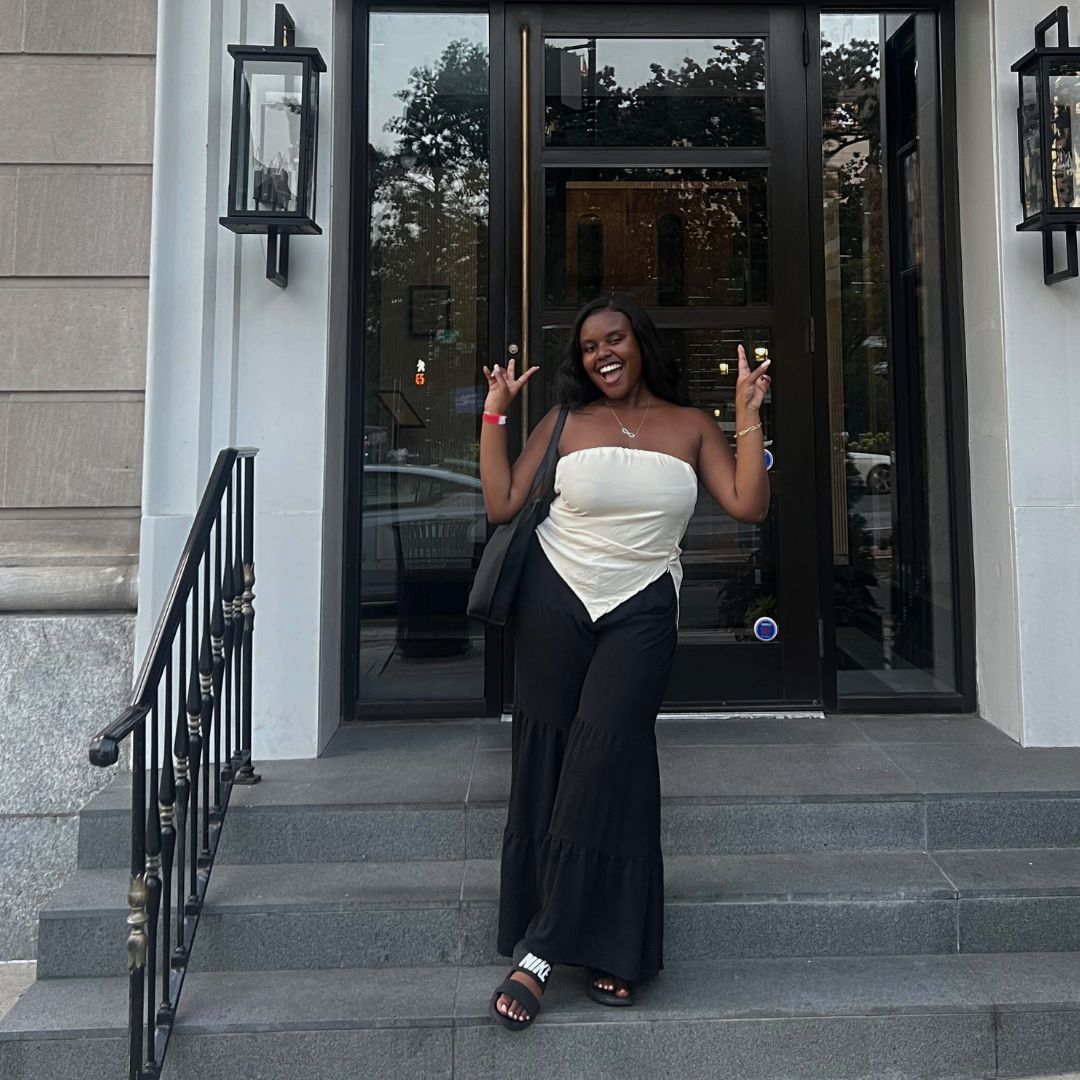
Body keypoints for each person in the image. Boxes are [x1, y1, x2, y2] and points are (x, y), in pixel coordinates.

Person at [478, 295, 772, 1029]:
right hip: (555, 597)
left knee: (607, 756)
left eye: (614, 340)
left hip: (641, 607)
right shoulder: (566, 423)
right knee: (551, 755)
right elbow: (501, 502)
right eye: (587, 347)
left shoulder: (691, 425)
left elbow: (747, 505)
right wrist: (494, 413)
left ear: (639, 343)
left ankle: (546, 946)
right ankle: (599, 942)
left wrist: (745, 410)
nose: (601, 354)